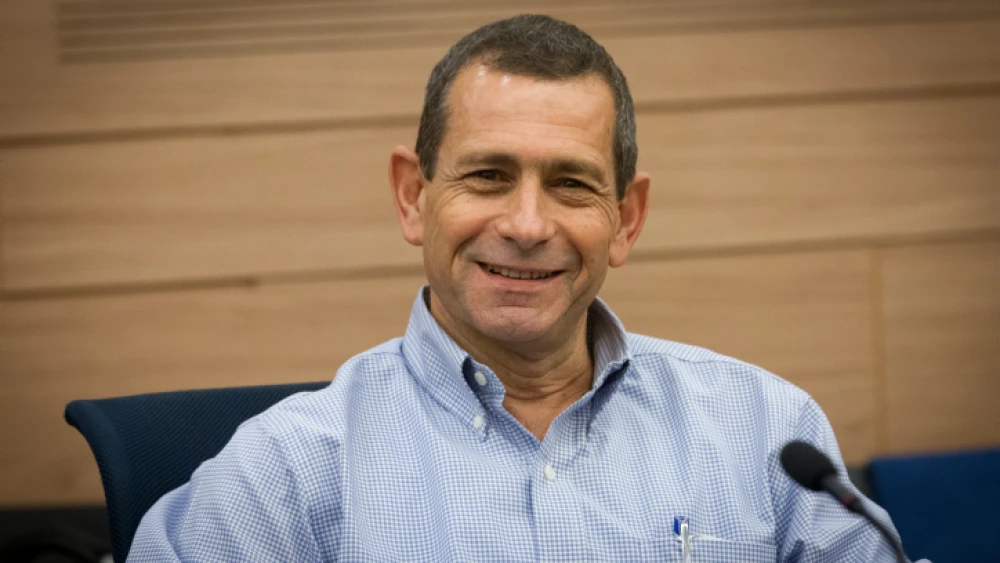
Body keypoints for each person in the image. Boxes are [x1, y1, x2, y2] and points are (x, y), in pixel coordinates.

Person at [128, 14, 906, 562]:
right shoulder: (288, 470)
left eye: (571, 184)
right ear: (412, 196)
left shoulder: (767, 430)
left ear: (626, 219)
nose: (528, 224)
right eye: (489, 175)